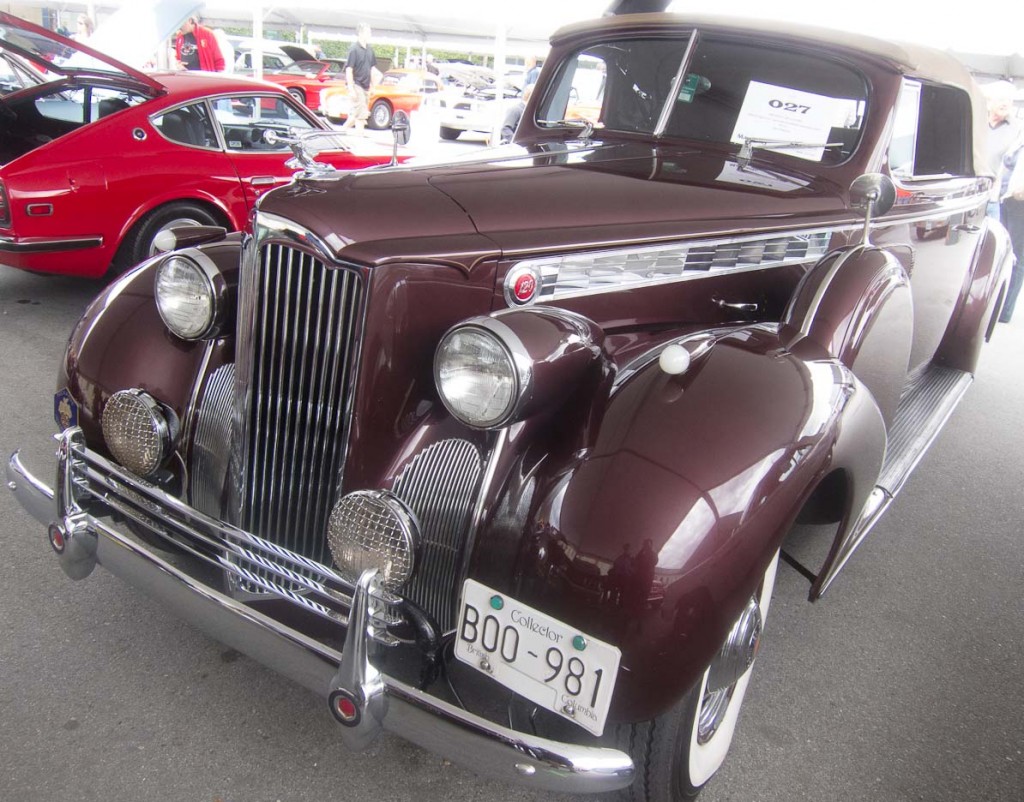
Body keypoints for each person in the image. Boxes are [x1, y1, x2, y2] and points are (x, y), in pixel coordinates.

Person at [983, 81, 1020, 221]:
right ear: (989, 102)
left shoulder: (1017, 129)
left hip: (997, 199)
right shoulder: (976, 123)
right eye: (1001, 99)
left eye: (1009, 100)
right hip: (971, 195)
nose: (1005, 104)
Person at [999, 132, 1024, 323]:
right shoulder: (1019, 138)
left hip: (1021, 202)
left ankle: (1006, 311)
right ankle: (1000, 305)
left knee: (1018, 256)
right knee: (1006, 253)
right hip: (1007, 199)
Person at [341, 23, 381, 133]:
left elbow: (372, 69)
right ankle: (360, 139)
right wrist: (351, 88)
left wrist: (373, 86)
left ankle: (339, 133)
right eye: (368, 32)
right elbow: (349, 69)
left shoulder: (370, 50)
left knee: (356, 114)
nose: (370, 34)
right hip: (356, 84)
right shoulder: (353, 49)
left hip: (365, 86)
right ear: (360, 33)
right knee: (361, 116)